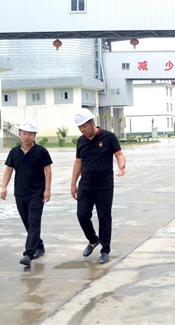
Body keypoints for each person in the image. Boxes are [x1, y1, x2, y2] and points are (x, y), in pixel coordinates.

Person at [70, 108, 126, 264]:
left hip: (104, 186)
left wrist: (121, 166)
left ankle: (105, 250)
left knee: (104, 217)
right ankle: (93, 240)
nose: (82, 130)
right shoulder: (81, 141)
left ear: (92, 123)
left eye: (84, 126)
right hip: (85, 186)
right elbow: (78, 162)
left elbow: (119, 154)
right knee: (82, 216)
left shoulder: (108, 137)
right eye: (79, 127)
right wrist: (73, 183)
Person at [1, 120, 53, 267]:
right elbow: (9, 169)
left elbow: (48, 170)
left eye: (30, 134)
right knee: (27, 223)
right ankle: (39, 245)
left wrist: (47, 189)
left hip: (37, 193)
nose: (27, 137)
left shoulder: (41, 151)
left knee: (34, 222)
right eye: (24, 133)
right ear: (19, 134)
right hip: (20, 193)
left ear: (34, 135)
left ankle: (28, 254)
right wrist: (4, 187)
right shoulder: (14, 152)